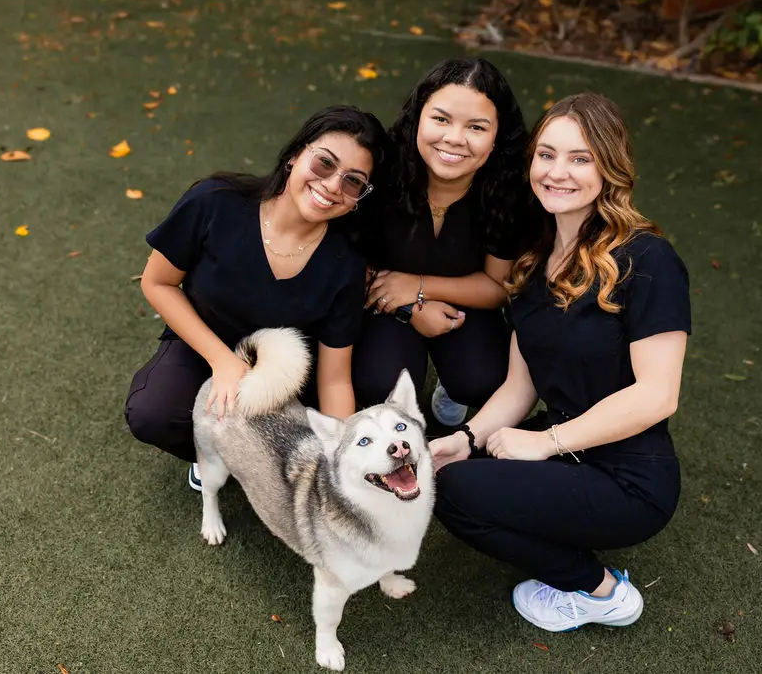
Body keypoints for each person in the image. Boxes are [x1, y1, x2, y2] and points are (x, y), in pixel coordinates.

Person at [428, 92, 690, 632]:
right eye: (546, 155)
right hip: (567, 449)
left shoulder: (647, 259)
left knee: (458, 494)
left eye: (580, 158)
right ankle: (555, 513)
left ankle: (601, 593)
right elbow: (519, 389)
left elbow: (658, 394)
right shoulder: (534, 258)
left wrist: (544, 443)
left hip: (629, 478)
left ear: (610, 168)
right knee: (449, 472)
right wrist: (469, 439)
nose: (557, 172)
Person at [124, 105, 391, 490]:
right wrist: (221, 361)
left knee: (306, 465)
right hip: (202, 348)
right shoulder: (214, 202)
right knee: (154, 412)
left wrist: (340, 456)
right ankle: (211, 453)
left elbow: (334, 379)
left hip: (282, 380)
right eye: (324, 164)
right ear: (296, 156)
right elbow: (157, 283)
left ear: (359, 198)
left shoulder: (345, 263)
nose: (333, 185)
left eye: (353, 181)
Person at [352, 57, 536, 427]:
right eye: (441, 119)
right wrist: (409, 307)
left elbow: (498, 286)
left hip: (463, 300)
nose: (454, 138)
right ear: (418, 116)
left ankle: (452, 386)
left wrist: (418, 288)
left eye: (477, 127)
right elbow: (346, 263)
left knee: (487, 379)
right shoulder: (382, 168)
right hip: (381, 299)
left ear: (497, 135)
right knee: (379, 384)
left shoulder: (510, 190)